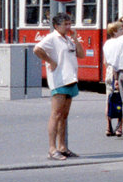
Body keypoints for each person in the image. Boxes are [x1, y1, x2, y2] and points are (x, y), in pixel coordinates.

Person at [33, 12, 87, 160]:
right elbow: (37, 49)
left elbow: (81, 55)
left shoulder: (68, 39)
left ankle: (62, 146)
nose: (69, 26)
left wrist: (75, 38)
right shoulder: (52, 38)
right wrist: (51, 61)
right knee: (56, 115)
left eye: (70, 23)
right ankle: (52, 148)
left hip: (70, 79)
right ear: (57, 26)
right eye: (66, 24)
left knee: (64, 115)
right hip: (59, 80)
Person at [103, 20, 123, 137]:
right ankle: (119, 127)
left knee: (109, 99)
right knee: (120, 100)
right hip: (118, 72)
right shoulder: (120, 43)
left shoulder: (107, 43)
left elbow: (105, 62)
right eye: (121, 29)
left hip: (109, 72)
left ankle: (108, 127)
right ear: (115, 31)